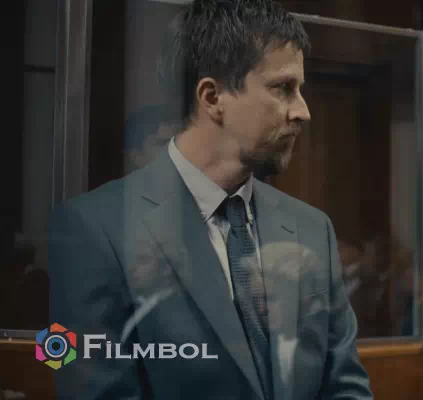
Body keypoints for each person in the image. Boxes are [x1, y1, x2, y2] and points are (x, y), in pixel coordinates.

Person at [47, 1, 372, 399]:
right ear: (212, 96)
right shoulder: (93, 230)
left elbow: (346, 386)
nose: (302, 112)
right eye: (284, 88)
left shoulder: (312, 228)